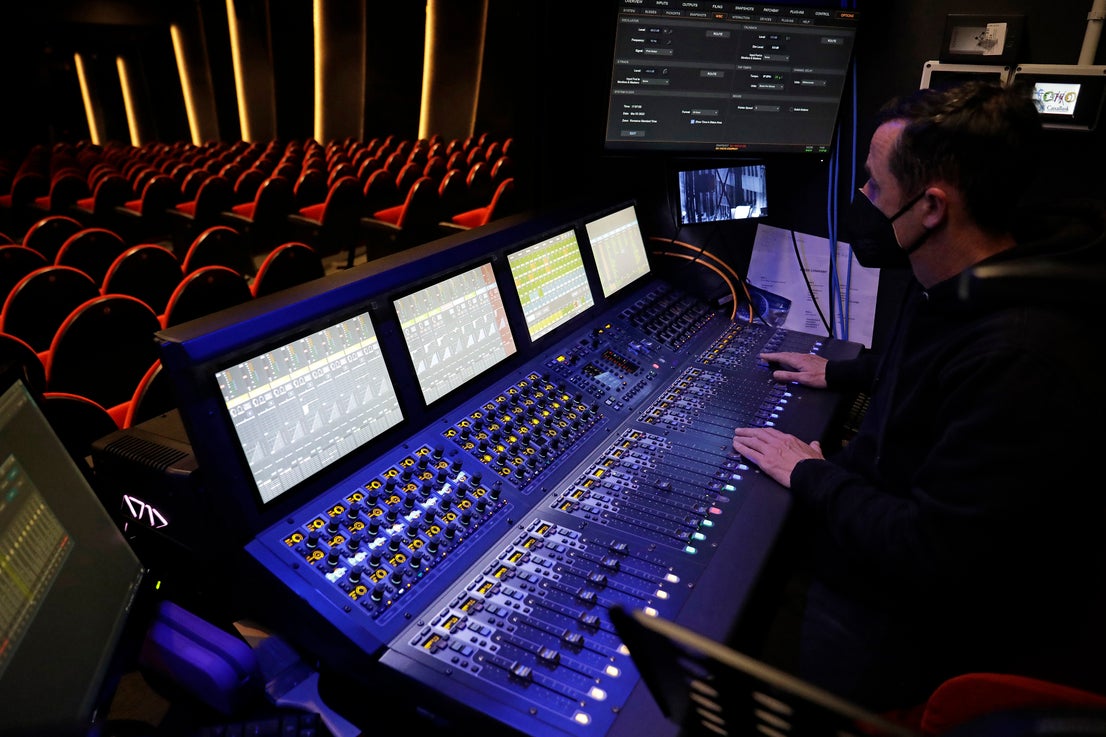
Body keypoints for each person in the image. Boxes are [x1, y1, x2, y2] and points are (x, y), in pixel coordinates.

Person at [731, 80, 1106, 711]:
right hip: (875, 534)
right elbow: (938, 371)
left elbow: (932, 550)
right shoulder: (968, 279)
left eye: (875, 185)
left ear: (931, 207)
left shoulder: (1021, 358)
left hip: (907, 618)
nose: (863, 199)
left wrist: (811, 473)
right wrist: (846, 373)